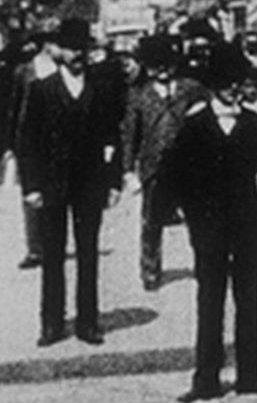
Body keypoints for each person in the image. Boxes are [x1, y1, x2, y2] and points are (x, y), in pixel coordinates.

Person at [168, 42, 257, 401]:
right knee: (210, 302)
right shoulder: (196, 126)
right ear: (213, 85)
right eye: (226, 82)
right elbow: (175, 176)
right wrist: (195, 214)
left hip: (249, 228)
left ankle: (250, 375)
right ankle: (206, 379)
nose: (235, 88)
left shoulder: (252, 123)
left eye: (238, 81)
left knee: (249, 301)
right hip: (210, 231)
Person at [17, 18, 124, 346]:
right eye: (70, 48)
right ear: (58, 50)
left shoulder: (100, 90)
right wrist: (31, 187)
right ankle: (51, 323)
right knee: (52, 255)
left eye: (82, 48)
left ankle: (88, 322)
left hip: (90, 185)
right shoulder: (42, 90)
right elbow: (27, 141)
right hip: (52, 184)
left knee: (88, 253)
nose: (77, 54)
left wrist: (114, 181)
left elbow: (113, 136)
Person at [120, 34, 206, 291]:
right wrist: (128, 170)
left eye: (167, 64)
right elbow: (130, 135)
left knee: (198, 217)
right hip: (154, 166)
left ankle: (205, 264)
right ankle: (150, 269)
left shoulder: (191, 89)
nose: (162, 70)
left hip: (190, 164)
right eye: (156, 65)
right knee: (151, 221)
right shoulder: (138, 95)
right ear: (147, 66)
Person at [6, 28, 57, 271]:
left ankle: (53, 243)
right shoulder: (24, 71)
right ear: (46, 45)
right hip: (28, 138)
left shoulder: (64, 71)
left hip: (56, 138)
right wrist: (9, 144)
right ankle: (35, 248)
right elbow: (14, 108)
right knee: (31, 191)